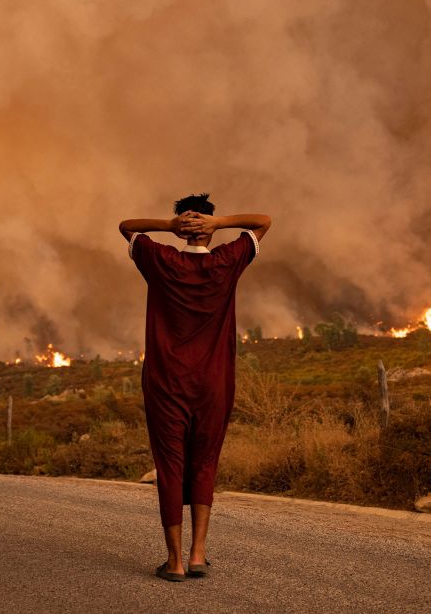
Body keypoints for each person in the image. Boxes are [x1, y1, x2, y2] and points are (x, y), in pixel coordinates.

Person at [119, 193, 272, 582]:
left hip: (166, 382)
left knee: (170, 467)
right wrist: (220, 224)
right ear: (207, 224)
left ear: (183, 227)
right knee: (205, 462)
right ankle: (199, 554)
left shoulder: (161, 260)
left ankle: (174, 563)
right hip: (214, 383)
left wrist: (168, 227)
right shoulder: (227, 261)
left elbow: (126, 227)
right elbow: (264, 221)